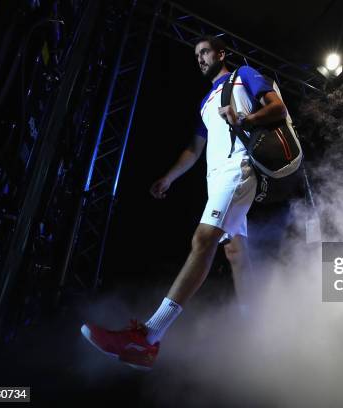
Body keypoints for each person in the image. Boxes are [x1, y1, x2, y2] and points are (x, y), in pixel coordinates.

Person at [80, 36, 289, 370]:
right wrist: (169, 178)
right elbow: (194, 149)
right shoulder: (205, 102)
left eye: (205, 52)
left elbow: (277, 107)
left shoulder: (244, 76)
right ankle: (257, 332)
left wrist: (245, 120)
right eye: (196, 56)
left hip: (241, 169)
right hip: (217, 178)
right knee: (236, 253)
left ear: (221, 53)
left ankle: (147, 338)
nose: (200, 59)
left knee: (203, 240)